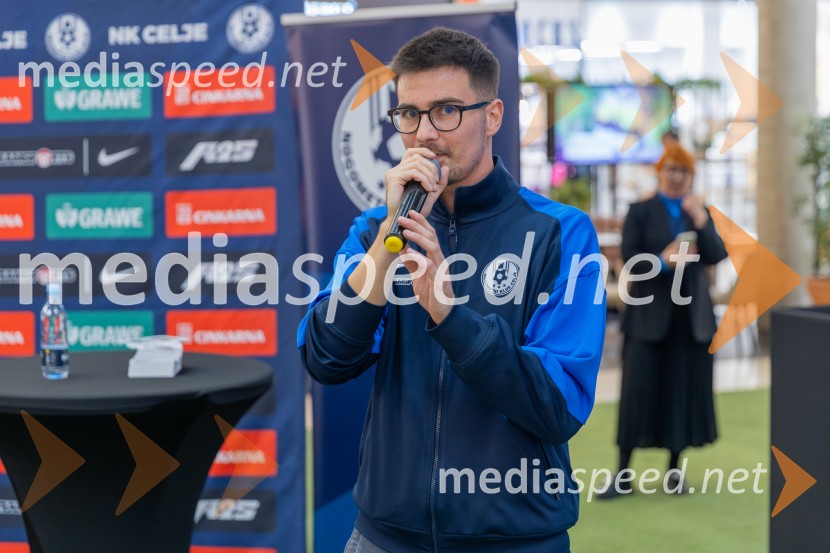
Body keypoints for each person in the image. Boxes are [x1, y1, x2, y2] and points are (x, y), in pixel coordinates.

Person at [298, 27, 605, 552]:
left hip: (515, 539)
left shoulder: (559, 232)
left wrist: (449, 314)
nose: (424, 134)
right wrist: (388, 243)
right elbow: (325, 358)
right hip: (384, 538)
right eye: (409, 114)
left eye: (446, 111)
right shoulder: (374, 232)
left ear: (493, 116)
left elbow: (558, 406)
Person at [601, 143, 728, 499]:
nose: (677, 176)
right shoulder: (640, 210)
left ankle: (674, 472)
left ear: (691, 177)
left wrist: (701, 220)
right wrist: (662, 260)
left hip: (690, 322)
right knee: (637, 395)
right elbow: (630, 260)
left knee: (680, 395)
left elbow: (717, 254)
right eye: (671, 169)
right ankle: (622, 474)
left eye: (683, 171)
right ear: (660, 172)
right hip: (648, 319)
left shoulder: (699, 212)